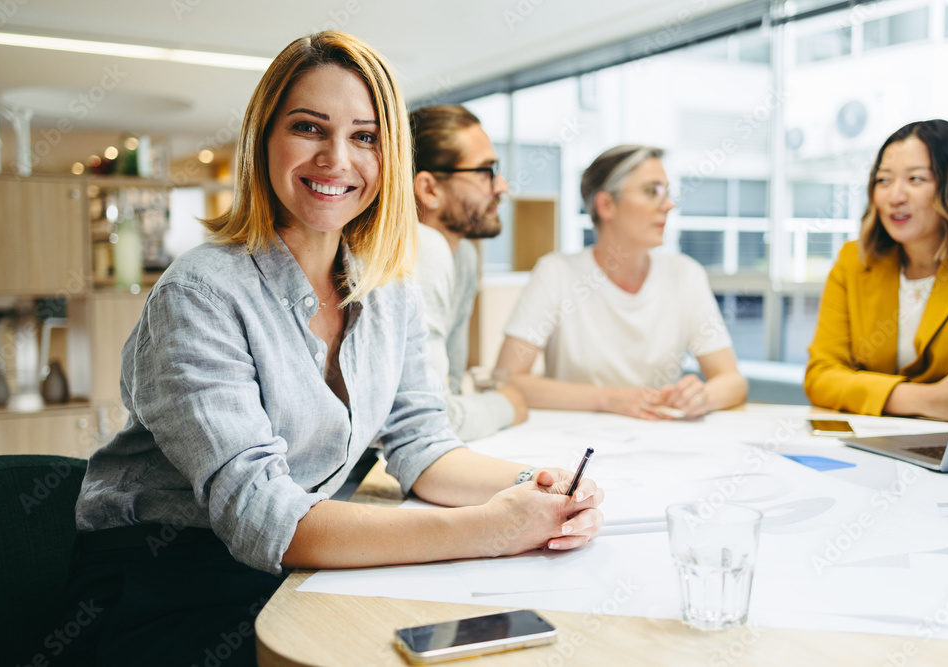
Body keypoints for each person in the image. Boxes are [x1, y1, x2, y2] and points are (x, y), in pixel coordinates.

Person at [57, 31, 603, 667]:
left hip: (299, 565)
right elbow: (259, 512)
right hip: (168, 586)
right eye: (310, 128)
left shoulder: (388, 284)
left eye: (365, 137)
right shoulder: (201, 292)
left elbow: (422, 444)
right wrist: (487, 529)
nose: (336, 159)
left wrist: (535, 487)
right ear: (265, 140)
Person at [495, 144, 747, 420]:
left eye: (667, 191)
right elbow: (507, 379)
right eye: (652, 191)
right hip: (573, 446)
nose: (669, 205)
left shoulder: (685, 274)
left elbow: (733, 381)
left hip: (655, 437)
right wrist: (611, 399)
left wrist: (701, 397)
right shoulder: (556, 273)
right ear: (606, 205)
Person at [804, 119, 948, 420]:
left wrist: (868, 391)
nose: (895, 197)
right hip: (876, 444)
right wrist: (929, 399)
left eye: (915, 179)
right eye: (884, 180)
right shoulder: (854, 262)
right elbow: (821, 377)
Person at [409, 104, 528, 440]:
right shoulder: (422, 250)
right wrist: (506, 403)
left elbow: (452, 392)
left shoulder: (463, 258)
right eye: (485, 171)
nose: (501, 186)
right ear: (429, 189)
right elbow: (434, 420)